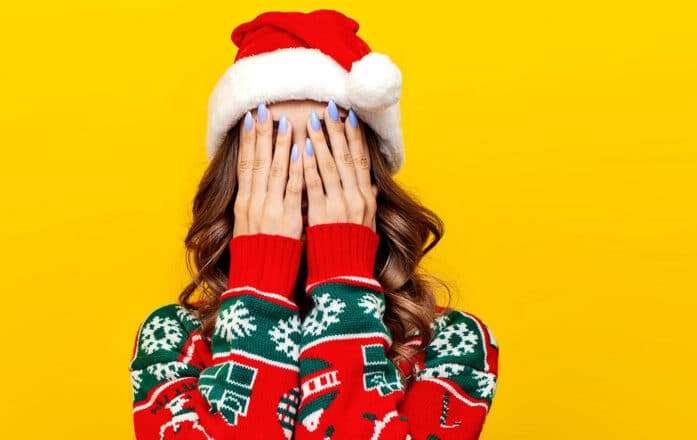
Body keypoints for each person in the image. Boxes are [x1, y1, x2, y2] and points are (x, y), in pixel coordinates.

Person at [128, 9, 499, 440]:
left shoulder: (451, 345)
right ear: (235, 177)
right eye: (274, 156)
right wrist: (259, 289)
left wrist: (344, 279)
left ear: (369, 177)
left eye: (327, 155)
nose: (302, 183)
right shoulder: (172, 341)